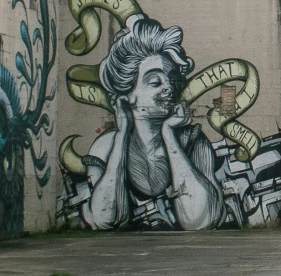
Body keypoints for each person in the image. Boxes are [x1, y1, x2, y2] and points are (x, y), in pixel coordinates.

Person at [79, 15, 226, 230]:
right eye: (155, 81)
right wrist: (121, 135)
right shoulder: (107, 146)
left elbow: (200, 220)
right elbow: (105, 220)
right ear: (129, 95)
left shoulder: (191, 140)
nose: (167, 87)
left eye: (170, 79)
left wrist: (168, 134)